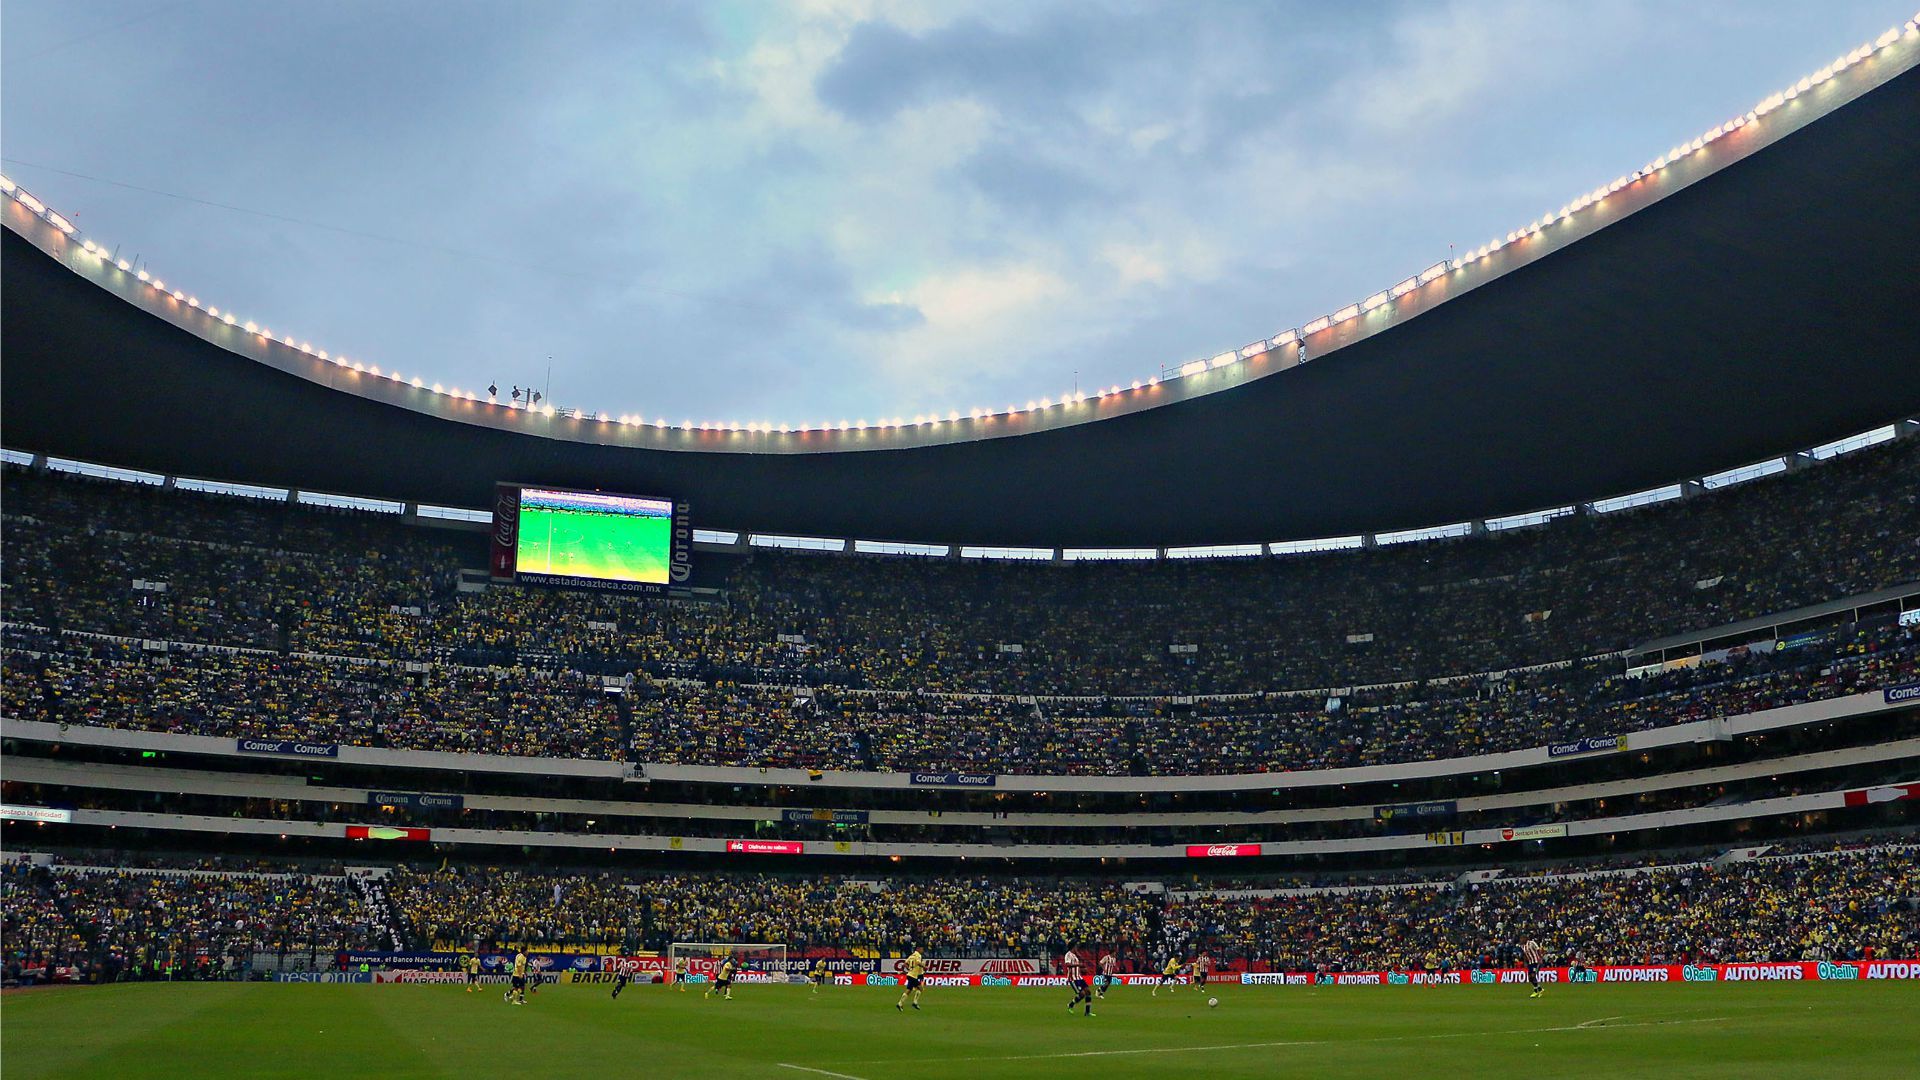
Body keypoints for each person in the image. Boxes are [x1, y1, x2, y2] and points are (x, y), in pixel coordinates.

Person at [1064, 947, 1094, 1016]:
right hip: (1073, 978)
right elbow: (1067, 965)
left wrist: (1082, 969)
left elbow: (1077, 967)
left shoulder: (1075, 955)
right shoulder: (1068, 955)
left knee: (1088, 992)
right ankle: (1070, 1005)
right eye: (1076, 947)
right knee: (1082, 994)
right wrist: (1078, 965)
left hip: (1079, 977)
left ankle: (1087, 1012)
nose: (1077, 949)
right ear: (1073, 947)